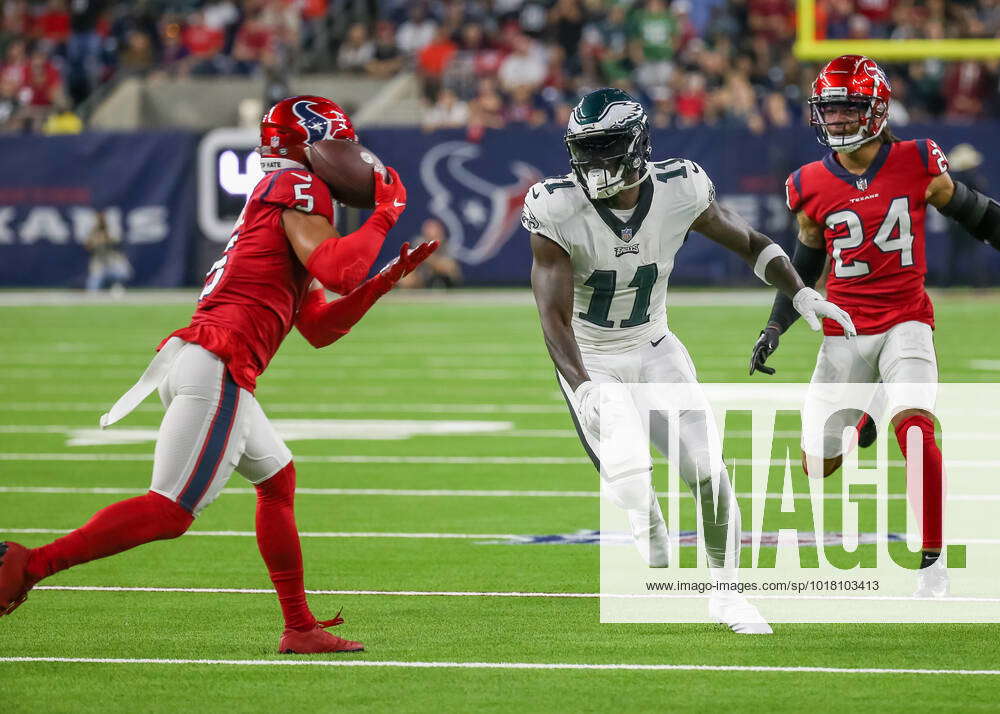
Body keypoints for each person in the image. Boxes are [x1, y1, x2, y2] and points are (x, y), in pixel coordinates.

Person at [0, 95, 438, 654]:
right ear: (309, 146)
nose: (352, 156)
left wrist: (387, 277)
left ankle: (299, 626)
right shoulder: (297, 190)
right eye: (341, 143)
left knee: (277, 481)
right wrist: (385, 212)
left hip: (205, 359)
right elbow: (340, 269)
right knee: (169, 511)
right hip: (220, 366)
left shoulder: (280, 202)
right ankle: (28, 564)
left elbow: (320, 327)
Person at [522, 88, 856, 635]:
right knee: (631, 471)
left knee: (707, 469)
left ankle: (728, 596)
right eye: (585, 149)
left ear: (635, 146)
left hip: (654, 346)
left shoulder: (679, 187)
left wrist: (799, 293)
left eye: (605, 148)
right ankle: (641, 509)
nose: (592, 162)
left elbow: (750, 242)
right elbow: (553, 319)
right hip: (591, 355)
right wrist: (584, 389)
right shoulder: (557, 205)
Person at [749, 56, 1000, 598]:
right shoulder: (809, 184)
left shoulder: (916, 162)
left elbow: (976, 212)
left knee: (916, 429)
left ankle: (932, 564)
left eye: (847, 110)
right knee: (818, 465)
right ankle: (868, 412)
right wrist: (775, 324)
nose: (836, 122)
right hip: (844, 329)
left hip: (908, 318)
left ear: (877, 111)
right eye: (829, 111)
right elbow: (805, 266)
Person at [399, 218, 463, 288]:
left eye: (436, 231)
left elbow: (448, 268)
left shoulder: (447, 246)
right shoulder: (419, 243)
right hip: (422, 281)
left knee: (449, 269)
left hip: (444, 282)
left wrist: (428, 257)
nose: (433, 234)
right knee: (407, 278)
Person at [84, 211, 131, 294]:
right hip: (99, 261)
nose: (101, 221)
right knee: (94, 280)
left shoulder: (112, 230)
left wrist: (105, 236)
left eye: (102, 219)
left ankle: (117, 286)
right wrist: (95, 234)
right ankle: (92, 296)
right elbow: (88, 246)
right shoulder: (94, 232)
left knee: (125, 273)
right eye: (99, 219)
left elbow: (117, 242)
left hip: (112, 259)